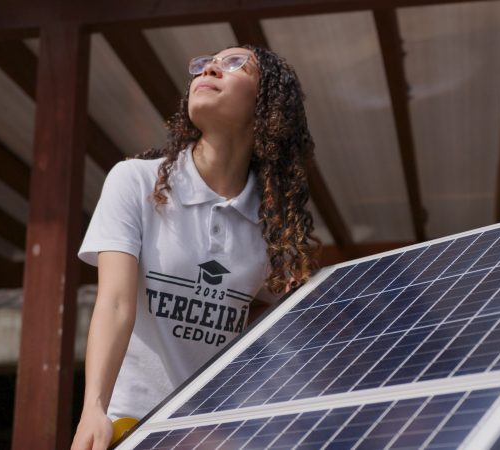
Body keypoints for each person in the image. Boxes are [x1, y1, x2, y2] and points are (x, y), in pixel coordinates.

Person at [70, 45, 320, 450]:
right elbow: (115, 303)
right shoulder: (134, 182)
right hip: (128, 428)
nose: (212, 69)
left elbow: (281, 323)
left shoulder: (273, 228)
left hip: (215, 435)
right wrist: (93, 408)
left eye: (236, 63)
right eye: (205, 64)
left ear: (269, 106)